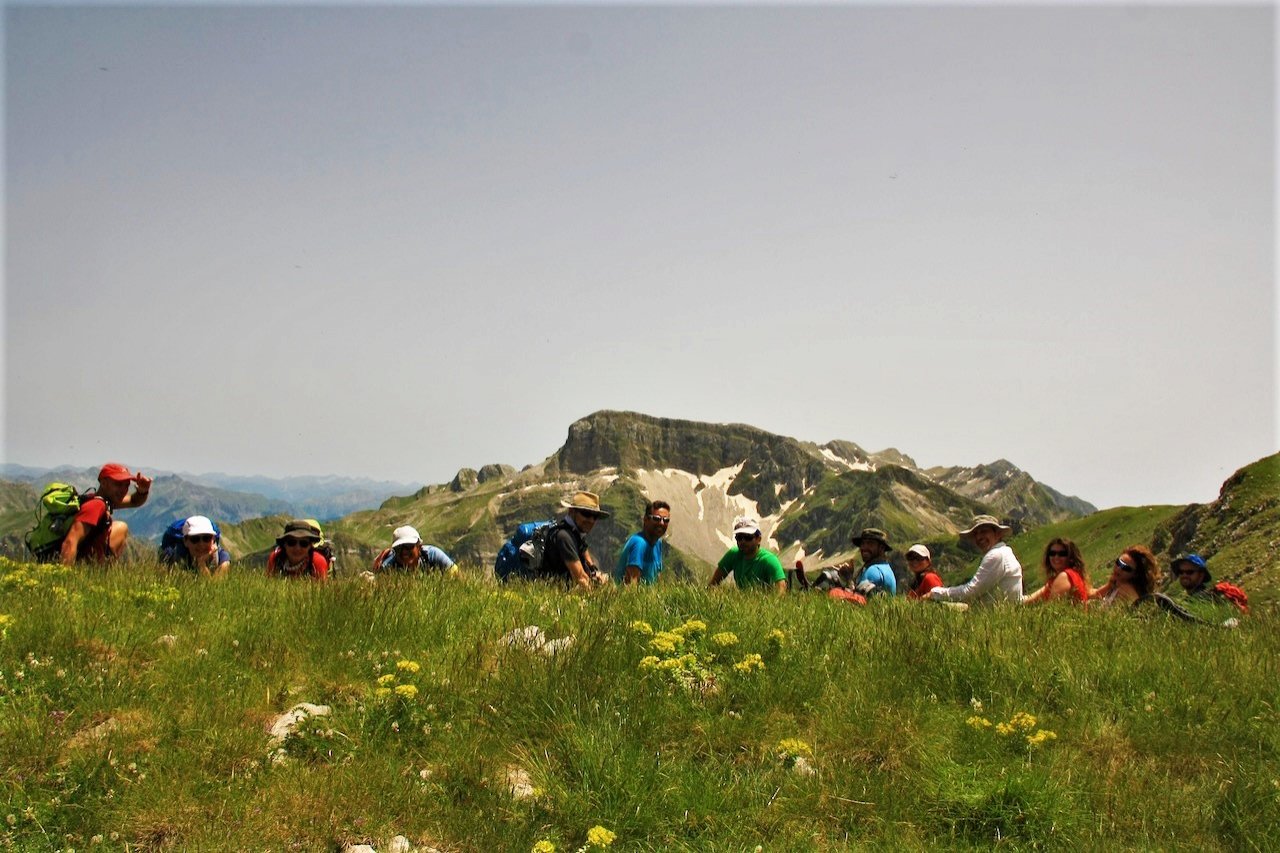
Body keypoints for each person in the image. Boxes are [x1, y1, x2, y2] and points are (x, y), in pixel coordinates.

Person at [60, 462, 153, 565]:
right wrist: (65, 575)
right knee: (121, 527)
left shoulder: (104, 500)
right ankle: (103, 569)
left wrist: (142, 491)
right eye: (118, 484)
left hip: (85, 560)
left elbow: (134, 501)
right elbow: (71, 540)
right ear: (104, 483)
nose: (123, 490)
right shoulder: (96, 505)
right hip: (83, 568)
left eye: (126, 485)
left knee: (121, 527)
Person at [929, 515, 1023, 605]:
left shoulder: (995, 555)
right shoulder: (1005, 551)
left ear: (997, 534)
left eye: (984, 531)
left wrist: (935, 593)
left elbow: (970, 592)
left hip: (992, 618)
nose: (978, 537)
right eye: (975, 534)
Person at [542, 491, 610, 590]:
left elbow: (591, 568)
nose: (591, 520)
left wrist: (596, 575)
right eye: (586, 514)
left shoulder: (577, 535)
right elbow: (581, 579)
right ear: (571, 512)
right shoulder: (564, 537)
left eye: (595, 516)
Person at [708, 517, 786, 594]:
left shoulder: (769, 560)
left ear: (758, 539)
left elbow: (781, 590)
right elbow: (713, 584)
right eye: (739, 537)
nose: (743, 541)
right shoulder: (733, 554)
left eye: (748, 537)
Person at [614, 500, 669, 585]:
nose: (661, 523)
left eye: (666, 520)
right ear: (646, 519)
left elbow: (657, 578)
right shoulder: (639, 544)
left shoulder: (658, 543)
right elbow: (630, 587)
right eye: (656, 518)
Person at [1022, 538, 1089, 605]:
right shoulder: (1058, 579)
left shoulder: (1065, 577)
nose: (1056, 557)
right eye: (1052, 553)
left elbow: (1053, 608)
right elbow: (1028, 601)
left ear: (1071, 557)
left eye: (1062, 554)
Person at [1090, 545, 1160, 607]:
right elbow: (1095, 594)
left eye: (1125, 568)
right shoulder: (1117, 582)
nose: (1118, 568)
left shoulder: (1125, 591)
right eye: (1119, 562)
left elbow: (1108, 616)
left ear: (1135, 574)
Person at [371, 526, 456, 575]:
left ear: (419, 546)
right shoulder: (388, 567)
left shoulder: (433, 554)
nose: (404, 551)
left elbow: (456, 574)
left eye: (408, 546)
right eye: (399, 548)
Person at [266, 519, 330, 581]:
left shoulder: (317, 562)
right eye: (292, 542)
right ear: (284, 544)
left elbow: (321, 590)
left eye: (303, 543)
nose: (297, 548)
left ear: (310, 546)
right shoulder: (275, 559)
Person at [849, 528, 898, 596]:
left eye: (870, 543)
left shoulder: (873, 571)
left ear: (882, 548)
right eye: (862, 543)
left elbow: (857, 600)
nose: (864, 547)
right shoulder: (885, 567)